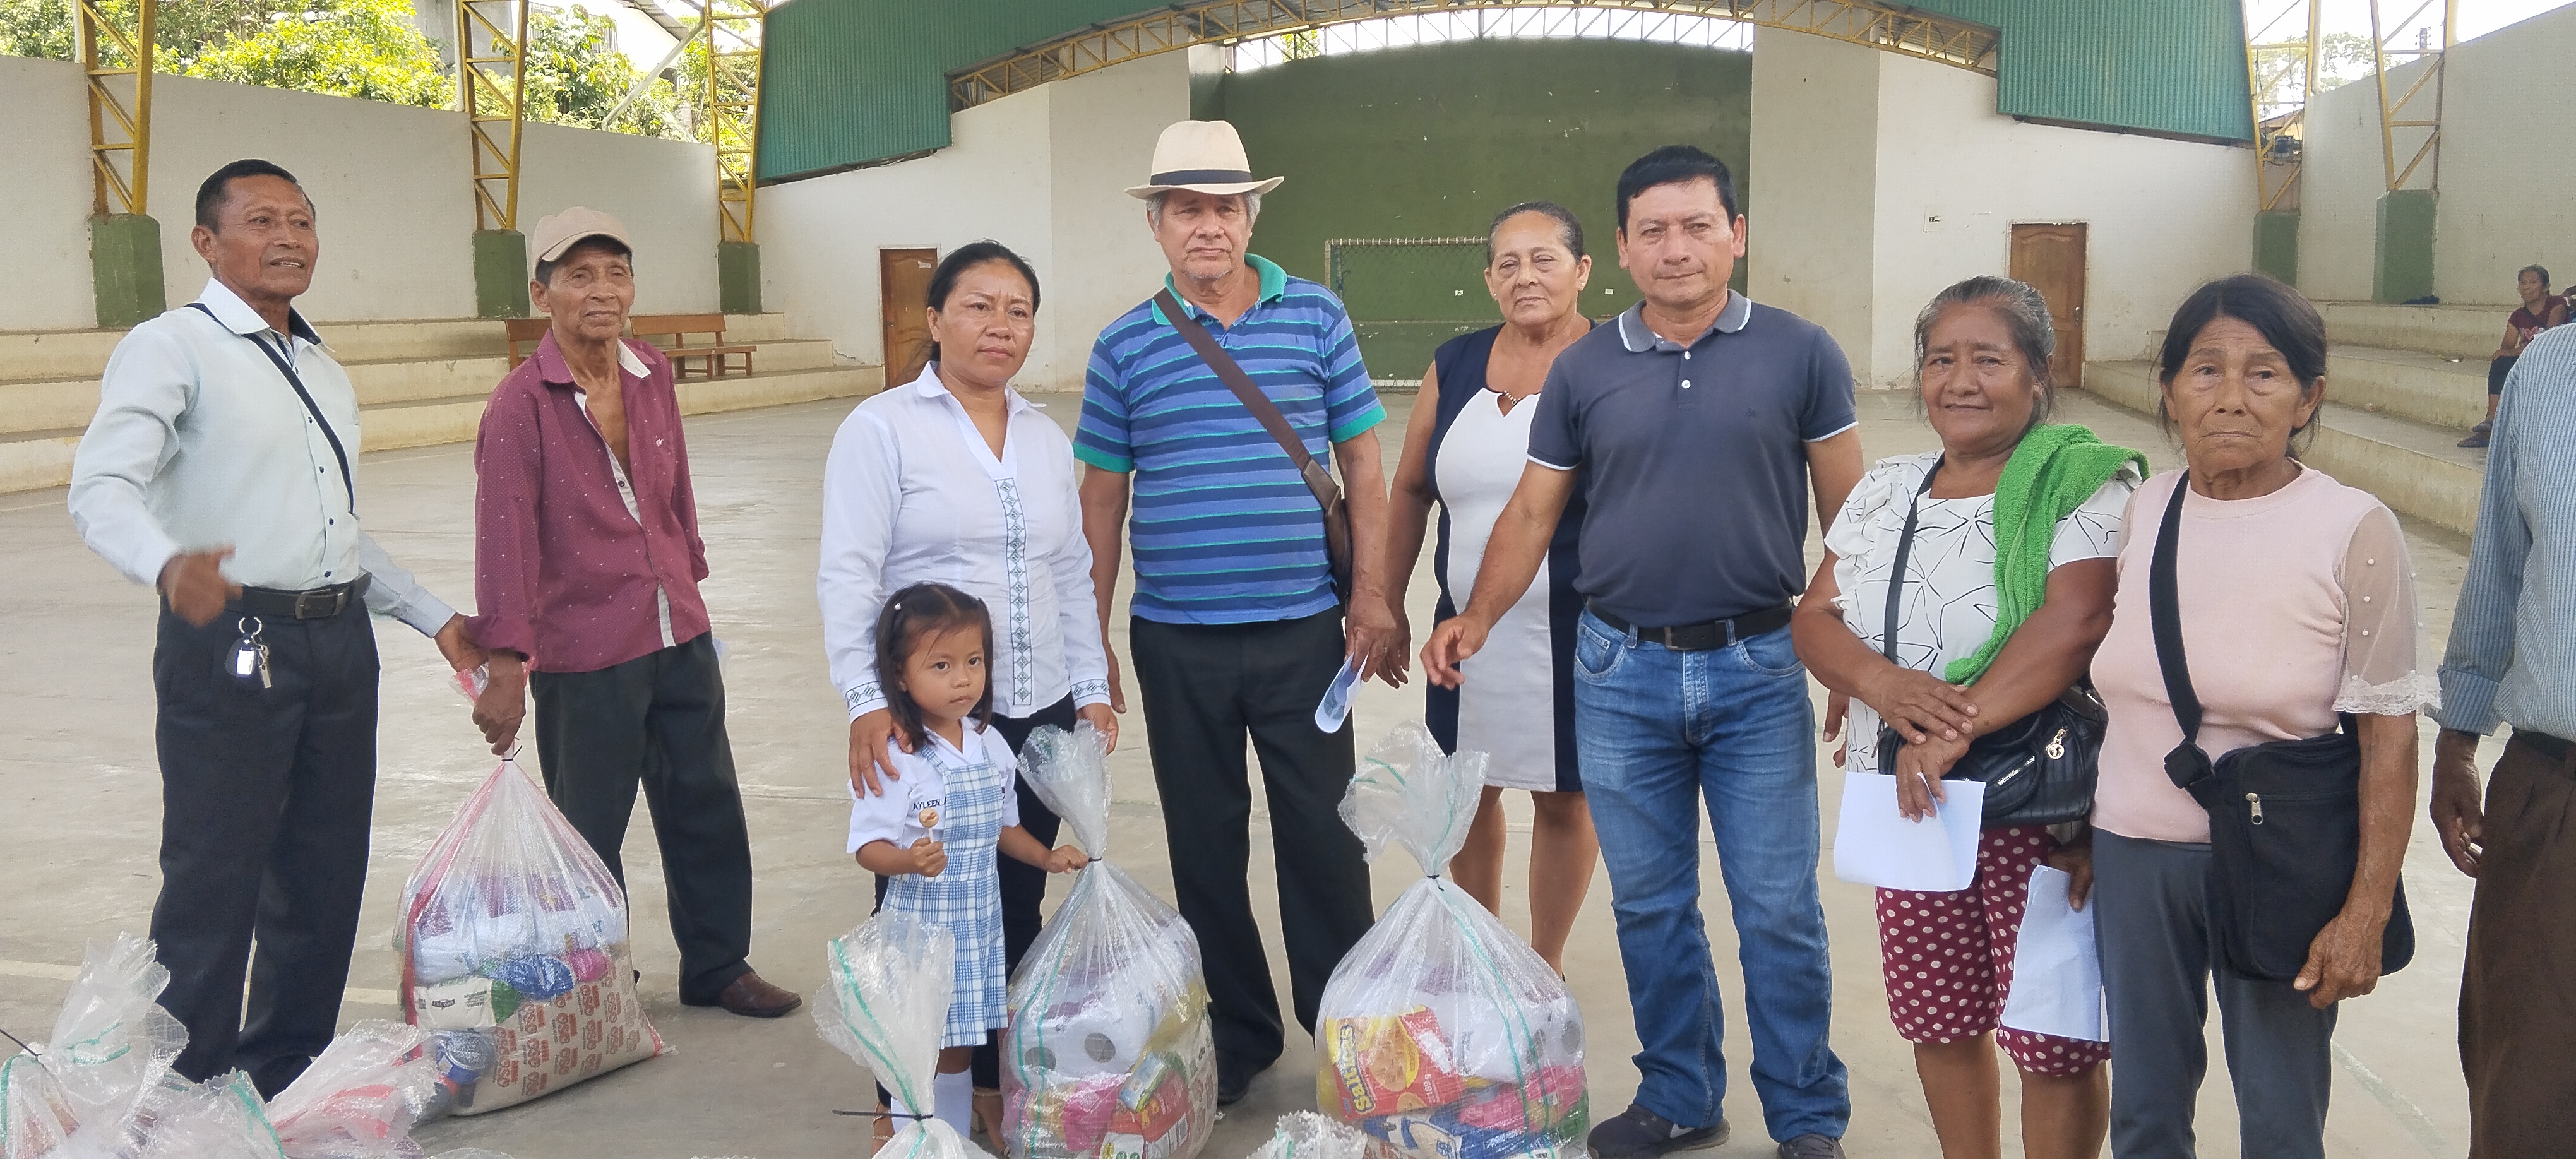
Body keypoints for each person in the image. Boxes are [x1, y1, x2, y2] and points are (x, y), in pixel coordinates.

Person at [1422, 144, 1863, 1159]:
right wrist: (1476, 616)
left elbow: (1857, 518)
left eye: (1698, 226)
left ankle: (1806, 1118)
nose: (1677, 249)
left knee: (1778, 909)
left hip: (1756, 669)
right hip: (1619, 673)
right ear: (1621, 249)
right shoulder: (1586, 368)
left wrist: (1845, 648)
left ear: (1736, 234)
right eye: (1653, 231)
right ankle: (1680, 1092)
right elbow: (1532, 514)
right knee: (1653, 905)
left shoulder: (1801, 352)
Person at [66, 159, 484, 1093]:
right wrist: (166, 563)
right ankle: (187, 1093)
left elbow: (336, 532)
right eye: (261, 220)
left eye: (301, 219)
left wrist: (435, 618)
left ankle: (286, 1070)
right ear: (206, 242)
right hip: (231, 633)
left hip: (337, 639)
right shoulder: (173, 346)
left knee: (324, 869)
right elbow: (101, 487)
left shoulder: (319, 364)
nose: (289, 237)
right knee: (216, 871)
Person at [1075, 119, 1393, 1106]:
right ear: (1158, 227)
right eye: (1186, 210)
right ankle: (1242, 1036)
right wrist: (1092, 638)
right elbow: (1102, 500)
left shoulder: (1318, 316)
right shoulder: (1123, 344)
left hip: (1305, 631)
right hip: (1177, 641)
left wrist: (1372, 593)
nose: (1206, 226)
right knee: (1205, 844)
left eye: (1224, 207)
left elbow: (1364, 464)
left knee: (1325, 842)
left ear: (1250, 217)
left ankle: (1344, 1032)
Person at [1790, 276, 2138, 1159]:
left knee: (2053, 1035)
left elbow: (2074, 621)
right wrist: (1881, 685)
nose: (1960, 381)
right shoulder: (1888, 486)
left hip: (2035, 796)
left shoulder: (2082, 481)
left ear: (2038, 374)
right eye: (1941, 360)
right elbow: (1815, 616)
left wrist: (1953, 727)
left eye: (1989, 359)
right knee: (1939, 1017)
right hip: (1910, 798)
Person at [2087, 273, 2429, 1159]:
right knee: (2145, 1112)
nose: (2232, 397)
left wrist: (2366, 909)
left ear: (2308, 398)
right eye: (2206, 370)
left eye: (2265, 373)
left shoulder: (2354, 529)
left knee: (2280, 1120)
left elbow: (2389, 737)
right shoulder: (2148, 508)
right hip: (2133, 856)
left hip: (2282, 866)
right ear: (2170, 390)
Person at [464, 207, 801, 1019]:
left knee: (705, 803)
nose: (602, 291)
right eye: (579, 276)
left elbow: (673, 480)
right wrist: (506, 659)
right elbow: (505, 536)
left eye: (616, 273)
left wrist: (688, 569)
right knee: (589, 829)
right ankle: (598, 984)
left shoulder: (651, 371)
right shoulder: (519, 405)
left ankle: (718, 965)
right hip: (586, 647)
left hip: (676, 624)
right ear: (542, 294)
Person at [819, 239, 1116, 1132]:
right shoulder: (881, 428)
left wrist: (1091, 684)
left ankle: (991, 1087)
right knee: (920, 907)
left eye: (1018, 310)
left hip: (1036, 702)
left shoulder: (1045, 435)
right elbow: (849, 573)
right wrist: (867, 702)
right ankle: (904, 1105)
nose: (1000, 326)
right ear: (935, 319)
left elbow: (1071, 569)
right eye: (979, 306)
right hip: (928, 717)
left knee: (1012, 901)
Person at [1379, 200, 1599, 973]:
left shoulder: (1613, 359)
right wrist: (1387, 602)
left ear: (1582, 271)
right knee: (1466, 791)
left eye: (1544, 259)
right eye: (1508, 263)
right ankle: (1481, 949)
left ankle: (1543, 963)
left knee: (1565, 796)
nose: (1525, 276)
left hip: (1579, 627)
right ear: (1488, 280)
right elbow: (1411, 489)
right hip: (1464, 628)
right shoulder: (1456, 363)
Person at [848, 582, 1088, 1139]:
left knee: (957, 1049)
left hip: (976, 928)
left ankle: (949, 1143)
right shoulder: (898, 759)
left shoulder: (989, 744)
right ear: (900, 675)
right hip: (921, 931)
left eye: (974, 661)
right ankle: (914, 1141)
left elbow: (1005, 828)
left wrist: (1046, 856)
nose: (963, 679)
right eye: (942, 665)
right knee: (918, 1048)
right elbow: (866, 847)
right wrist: (907, 861)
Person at [2430, 321, 2576, 1158]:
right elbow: (2500, 565)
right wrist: (2458, 740)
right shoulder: (2549, 371)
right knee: (2528, 1097)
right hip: (2555, 792)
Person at [2459, 264, 2565, 448]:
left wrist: (2515, 352)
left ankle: (2490, 430)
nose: (2526, 287)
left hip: (2553, 359)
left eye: (2533, 282)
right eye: (2522, 283)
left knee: (2508, 359)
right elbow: (2507, 346)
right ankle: (2491, 419)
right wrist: (2508, 354)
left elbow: (2549, 338)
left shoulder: (2557, 305)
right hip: (2528, 360)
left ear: (2546, 287)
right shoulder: (2517, 316)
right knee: (2501, 362)